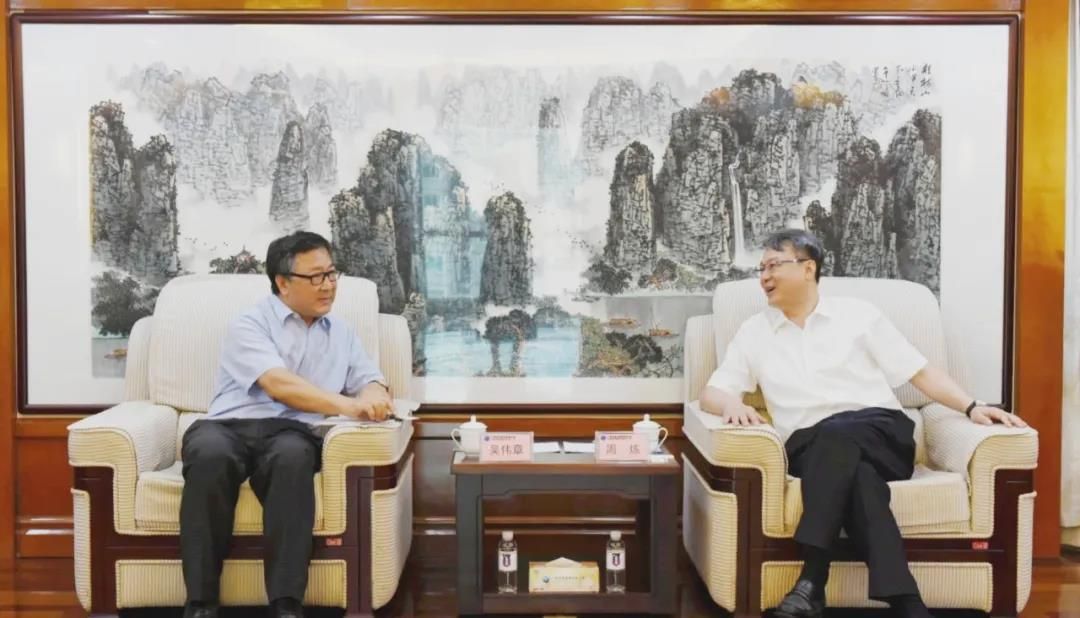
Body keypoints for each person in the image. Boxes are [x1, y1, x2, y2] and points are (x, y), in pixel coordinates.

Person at [699, 229, 1025, 618]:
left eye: (773, 265)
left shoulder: (858, 315)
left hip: (880, 431)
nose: (764, 276)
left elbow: (921, 373)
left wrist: (972, 406)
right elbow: (712, 393)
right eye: (761, 269)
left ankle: (812, 580)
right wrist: (731, 403)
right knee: (860, 480)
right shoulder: (755, 332)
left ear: (808, 268)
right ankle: (907, 602)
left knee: (837, 434)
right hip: (808, 447)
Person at [180, 231, 393, 618]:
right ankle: (200, 604)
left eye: (331, 273)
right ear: (282, 282)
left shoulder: (341, 333)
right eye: (316, 277)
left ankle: (286, 605)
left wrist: (375, 394)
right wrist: (350, 405)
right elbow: (278, 385)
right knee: (209, 456)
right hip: (227, 426)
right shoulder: (250, 324)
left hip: (291, 433)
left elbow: (369, 379)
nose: (328, 285)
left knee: (293, 459)